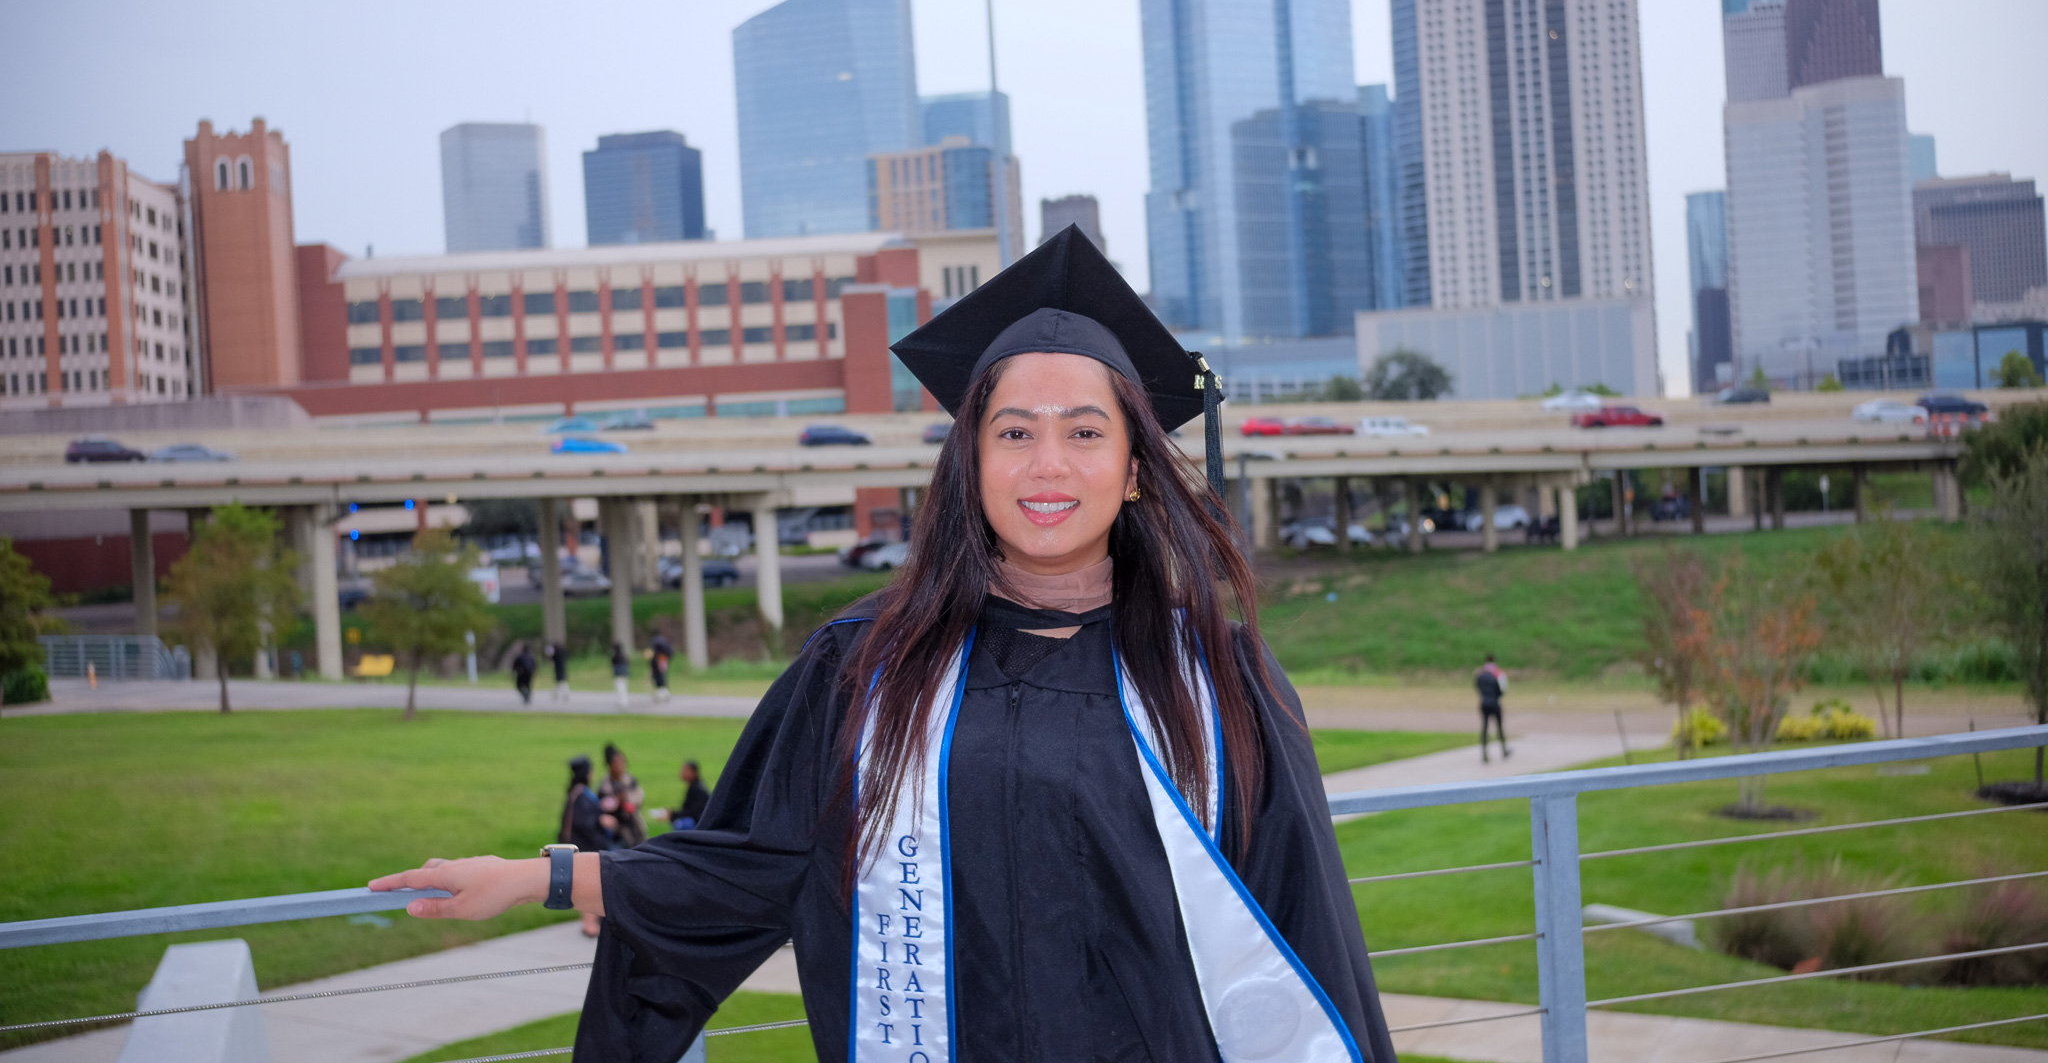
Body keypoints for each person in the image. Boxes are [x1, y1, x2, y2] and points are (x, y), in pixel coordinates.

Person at [372, 227, 1397, 1063]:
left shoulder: (1215, 679)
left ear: (1134, 468)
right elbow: (747, 864)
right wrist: (539, 877)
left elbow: (1304, 934)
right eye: (1011, 431)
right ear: (969, 460)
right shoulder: (868, 665)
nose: (1047, 462)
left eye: (1084, 432)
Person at [558, 755, 612, 936]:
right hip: (585, 848)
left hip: (582, 847)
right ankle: (589, 925)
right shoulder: (582, 796)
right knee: (591, 886)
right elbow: (586, 824)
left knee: (591, 886)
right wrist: (601, 822)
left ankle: (591, 922)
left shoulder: (576, 792)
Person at [597, 743, 647, 849]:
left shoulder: (630, 780)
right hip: (614, 831)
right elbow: (601, 804)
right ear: (609, 765)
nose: (621, 766)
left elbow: (639, 796)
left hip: (634, 827)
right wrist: (616, 801)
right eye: (617, 763)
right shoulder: (605, 784)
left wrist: (627, 799)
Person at [649, 759, 710, 832]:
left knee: (681, 825)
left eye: (685, 770)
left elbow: (693, 813)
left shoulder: (699, 790)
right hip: (695, 821)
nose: (681, 773)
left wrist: (671, 815)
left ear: (694, 772)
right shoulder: (693, 786)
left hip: (698, 825)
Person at [1476, 652, 1511, 762]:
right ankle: (1504, 750)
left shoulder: (1480, 673)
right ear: (1494, 660)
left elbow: (1477, 686)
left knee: (1485, 728)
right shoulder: (1498, 673)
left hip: (1484, 703)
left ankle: (1484, 754)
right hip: (1495, 703)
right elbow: (1503, 689)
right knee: (1499, 727)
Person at [648, 632, 673, 704]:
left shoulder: (655, 641)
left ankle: (661, 692)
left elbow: (652, 652)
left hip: (657, 660)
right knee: (663, 675)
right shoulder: (664, 641)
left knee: (658, 676)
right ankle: (665, 692)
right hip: (664, 660)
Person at [609, 641, 630, 711]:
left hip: (618, 676)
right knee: (624, 688)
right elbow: (628, 663)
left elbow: (612, 663)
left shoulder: (615, 657)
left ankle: (622, 702)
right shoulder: (624, 656)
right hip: (624, 675)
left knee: (620, 689)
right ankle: (624, 701)